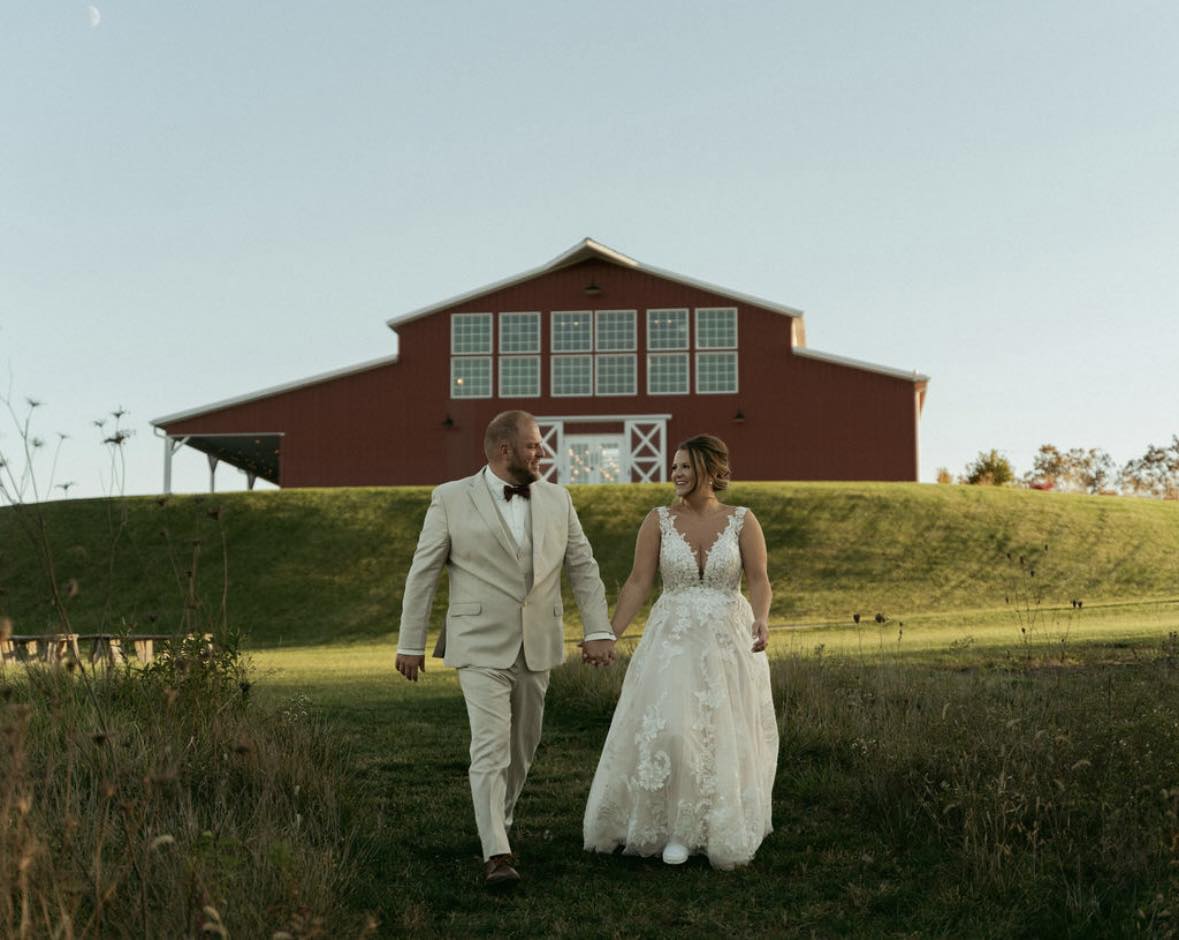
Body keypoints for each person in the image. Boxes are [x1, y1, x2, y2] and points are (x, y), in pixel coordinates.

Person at [396, 410, 617, 888]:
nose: (542, 452)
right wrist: (409, 642)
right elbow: (424, 573)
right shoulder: (451, 498)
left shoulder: (559, 499)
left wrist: (598, 629)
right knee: (490, 746)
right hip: (477, 643)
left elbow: (583, 566)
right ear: (504, 450)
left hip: (538, 642)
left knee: (523, 746)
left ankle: (498, 815)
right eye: (534, 445)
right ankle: (496, 851)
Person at [582, 434, 778, 869]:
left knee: (723, 732)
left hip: (729, 639)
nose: (675, 474)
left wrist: (761, 618)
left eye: (684, 466)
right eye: (673, 467)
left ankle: (706, 828)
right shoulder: (658, 520)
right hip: (672, 639)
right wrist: (608, 633)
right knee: (672, 728)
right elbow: (637, 582)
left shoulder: (743, 520)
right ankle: (672, 827)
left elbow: (760, 579)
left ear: (710, 470)